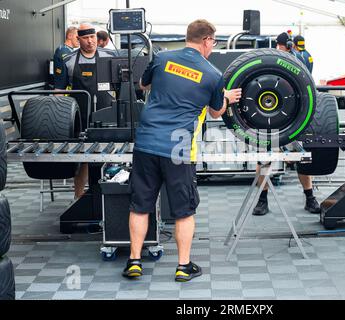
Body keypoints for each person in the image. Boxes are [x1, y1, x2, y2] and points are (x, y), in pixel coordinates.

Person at [123, 19, 242, 281]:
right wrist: (226, 97)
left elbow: (143, 85)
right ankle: (183, 266)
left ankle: (134, 261)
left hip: (146, 142)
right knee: (184, 211)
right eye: (214, 42)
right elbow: (215, 111)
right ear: (207, 40)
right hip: (178, 147)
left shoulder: (162, 58)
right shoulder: (212, 74)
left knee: (140, 206)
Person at [252, 31, 320, 216]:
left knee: (302, 157)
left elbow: (307, 84)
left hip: (295, 118)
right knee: (265, 159)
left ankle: (310, 197)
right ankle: (262, 200)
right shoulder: (270, 59)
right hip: (269, 119)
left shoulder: (301, 58)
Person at [54, 23, 116, 199]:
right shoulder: (68, 60)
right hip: (78, 118)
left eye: (93, 37)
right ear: (78, 39)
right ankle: (78, 198)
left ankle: (107, 200)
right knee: (81, 159)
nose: (90, 42)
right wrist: (57, 119)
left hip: (106, 116)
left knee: (107, 157)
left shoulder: (110, 56)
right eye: (86, 38)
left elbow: (123, 85)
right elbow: (59, 92)